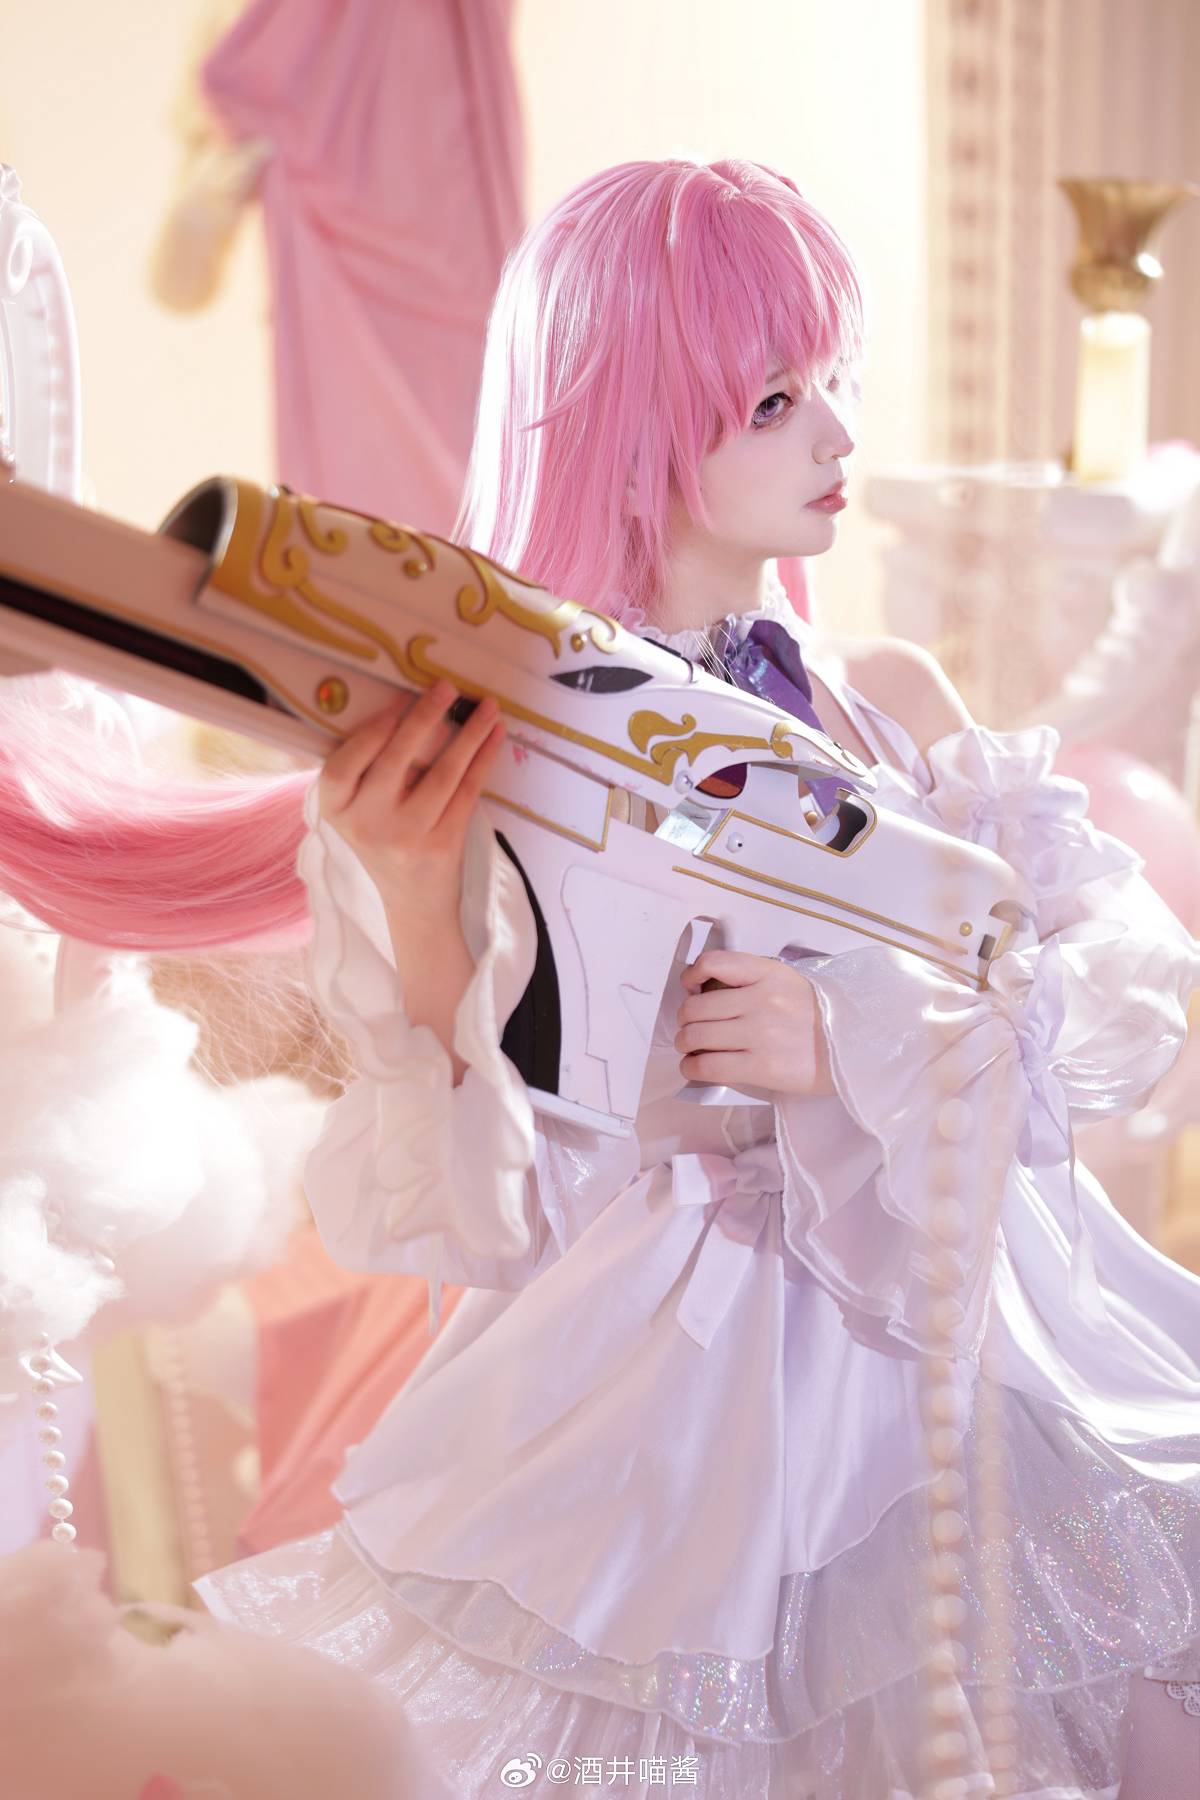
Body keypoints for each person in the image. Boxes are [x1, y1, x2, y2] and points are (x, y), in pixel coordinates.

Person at [182, 157, 1196, 1794]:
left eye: (836, 381)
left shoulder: (885, 700)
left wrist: (859, 1034)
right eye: (777, 401)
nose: (841, 436)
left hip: (955, 1352)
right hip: (656, 1392)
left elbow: (1127, 978)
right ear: (637, 426)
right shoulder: (490, 761)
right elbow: (489, 1219)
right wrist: (422, 901)